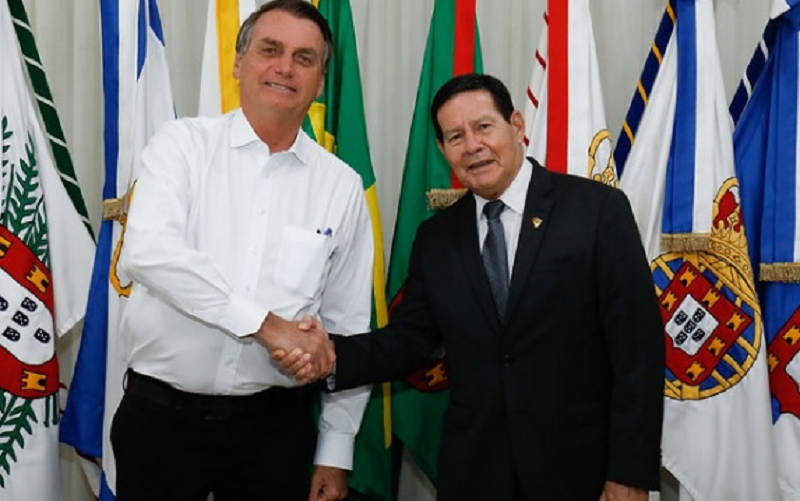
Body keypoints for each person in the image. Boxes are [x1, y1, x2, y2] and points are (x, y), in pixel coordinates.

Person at [276, 73, 665, 501]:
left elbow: (638, 350)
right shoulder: (436, 237)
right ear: (443, 150)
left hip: (580, 470)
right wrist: (326, 355)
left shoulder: (595, 210)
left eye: (483, 127)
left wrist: (629, 472)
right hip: (475, 472)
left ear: (516, 125)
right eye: (455, 136)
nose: (472, 145)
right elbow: (408, 342)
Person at [110, 1, 368, 500]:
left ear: (320, 82)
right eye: (270, 50)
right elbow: (148, 252)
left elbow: (347, 325)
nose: (285, 67)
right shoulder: (181, 145)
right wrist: (268, 327)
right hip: (160, 425)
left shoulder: (342, 186)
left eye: (304, 58)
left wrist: (335, 451)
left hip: (274, 432)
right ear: (238, 62)